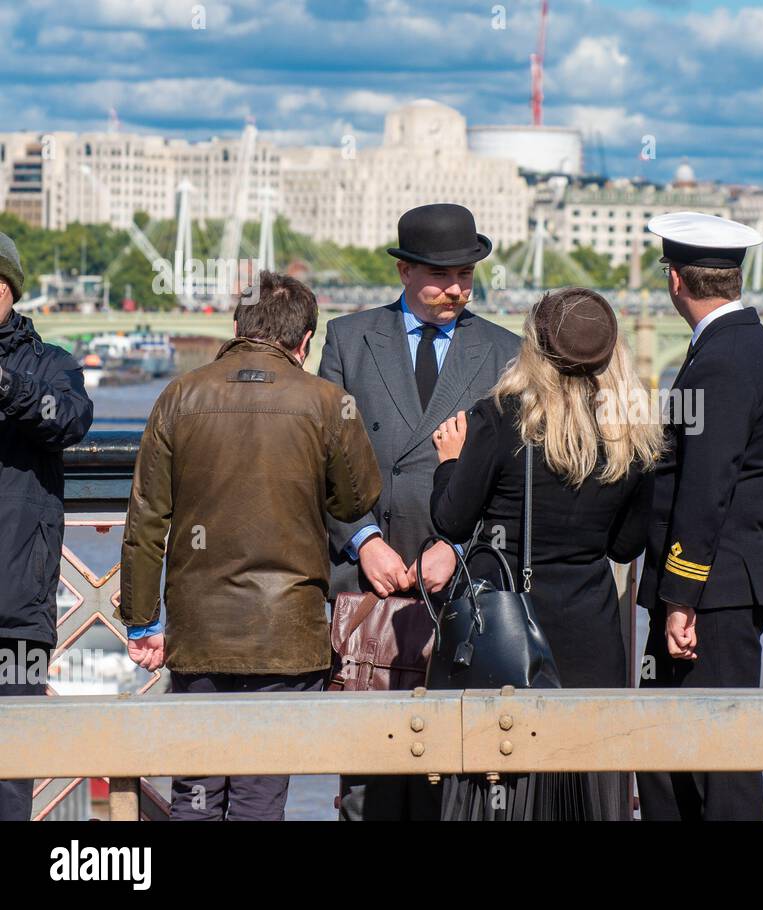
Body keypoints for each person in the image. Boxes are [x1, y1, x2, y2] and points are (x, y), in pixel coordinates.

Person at [119, 271, 381, 821]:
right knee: (261, 799)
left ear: (236, 325)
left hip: (199, 633)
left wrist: (142, 623)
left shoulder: (180, 395)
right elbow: (356, 500)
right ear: (305, 342)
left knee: (195, 792)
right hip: (286, 635)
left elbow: (146, 522)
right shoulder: (328, 402)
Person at [318, 203, 520, 820]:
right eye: (440, 275)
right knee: (367, 773)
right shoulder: (349, 339)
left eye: (466, 274)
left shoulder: (504, 350)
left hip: (461, 585)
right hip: (370, 585)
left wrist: (455, 544)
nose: (456, 289)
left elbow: (511, 473)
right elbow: (324, 459)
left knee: (456, 763)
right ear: (404, 271)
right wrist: (363, 541)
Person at [427, 287, 660, 820]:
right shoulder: (633, 432)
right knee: (583, 783)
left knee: (502, 781)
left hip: (504, 626)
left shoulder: (501, 418)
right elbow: (624, 545)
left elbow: (451, 521)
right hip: (590, 631)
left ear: (532, 346)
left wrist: (449, 462)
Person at [635, 212, 763, 821]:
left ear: (676, 281)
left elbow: (706, 487)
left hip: (712, 591)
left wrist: (680, 596)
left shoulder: (722, 360)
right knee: (679, 753)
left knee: (714, 762)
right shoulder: (755, 348)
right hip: (723, 583)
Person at [0, 231, 94, 821]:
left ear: (8, 289)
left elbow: (71, 420)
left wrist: (9, 386)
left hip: (19, 612)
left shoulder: (52, 364)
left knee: (12, 768)